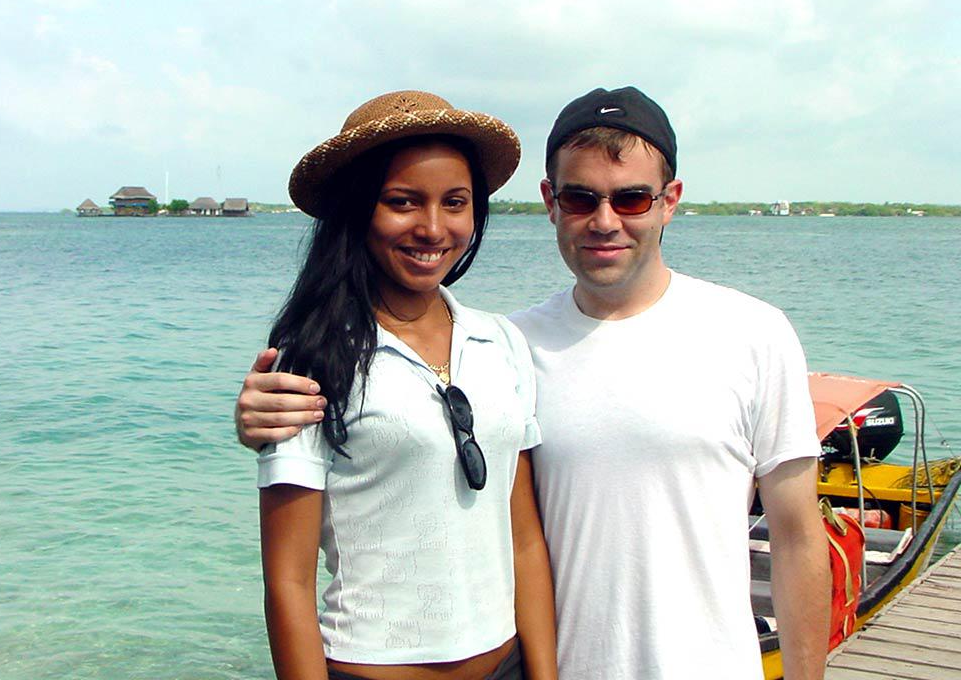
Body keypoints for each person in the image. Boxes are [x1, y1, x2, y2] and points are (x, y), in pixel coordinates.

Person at [237, 86, 830, 680]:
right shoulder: (512, 344)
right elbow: (300, 564)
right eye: (580, 198)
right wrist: (257, 418)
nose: (605, 221)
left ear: (669, 200)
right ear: (551, 201)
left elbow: (799, 539)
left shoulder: (751, 334)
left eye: (631, 199)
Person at [252, 90, 557, 680]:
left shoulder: (500, 342)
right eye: (402, 202)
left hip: (506, 665)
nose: (433, 228)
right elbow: (288, 582)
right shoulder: (312, 360)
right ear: (357, 208)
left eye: (455, 202)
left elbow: (523, 540)